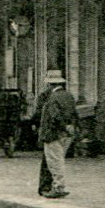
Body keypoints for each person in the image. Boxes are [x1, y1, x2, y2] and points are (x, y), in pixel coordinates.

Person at [38, 69, 77, 198]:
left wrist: (64, 126)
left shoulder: (52, 98)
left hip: (53, 134)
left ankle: (58, 187)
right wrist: (71, 127)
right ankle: (56, 186)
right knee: (59, 160)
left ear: (50, 85)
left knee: (55, 162)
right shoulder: (69, 96)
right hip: (67, 135)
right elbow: (75, 114)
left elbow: (55, 117)